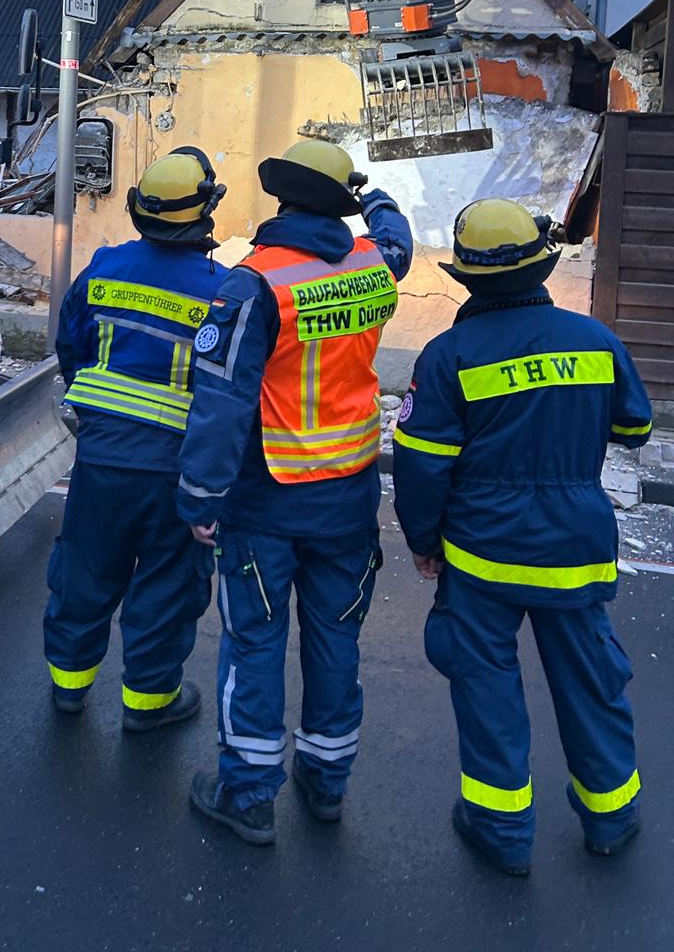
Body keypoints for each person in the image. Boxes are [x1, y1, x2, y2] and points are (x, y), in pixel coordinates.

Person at [392, 197, 651, 877]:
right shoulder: (597, 341)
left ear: (467, 277)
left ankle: (501, 833)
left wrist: (424, 540)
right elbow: (634, 429)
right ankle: (611, 817)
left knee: (487, 687)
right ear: (541, 266)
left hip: (482, 555)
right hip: (575, 549)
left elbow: (422, 466)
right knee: (591, 682)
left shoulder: (447, 356)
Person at [177, 139, 412, 845]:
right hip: (348, 502)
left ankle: (248, 795)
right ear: (342, 203)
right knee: (337, 639)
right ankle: (327, 779)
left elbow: (220, 404)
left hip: (266, 504)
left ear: (281, 198)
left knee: (255, 643)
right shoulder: (374, 268)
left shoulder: (254, 284)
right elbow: (395, 238)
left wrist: (199, 497)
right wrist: (372, 197)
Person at [44, 147, 226, 731]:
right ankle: (149, 703)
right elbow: (229, 391)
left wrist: (99, 413)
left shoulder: (104, 266)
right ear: (206, 211)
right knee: (168, 587)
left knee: (86, 571)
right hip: (179, 468)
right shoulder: (223, 290)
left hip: (101, 458)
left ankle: (68, 685)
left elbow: (70, 344)